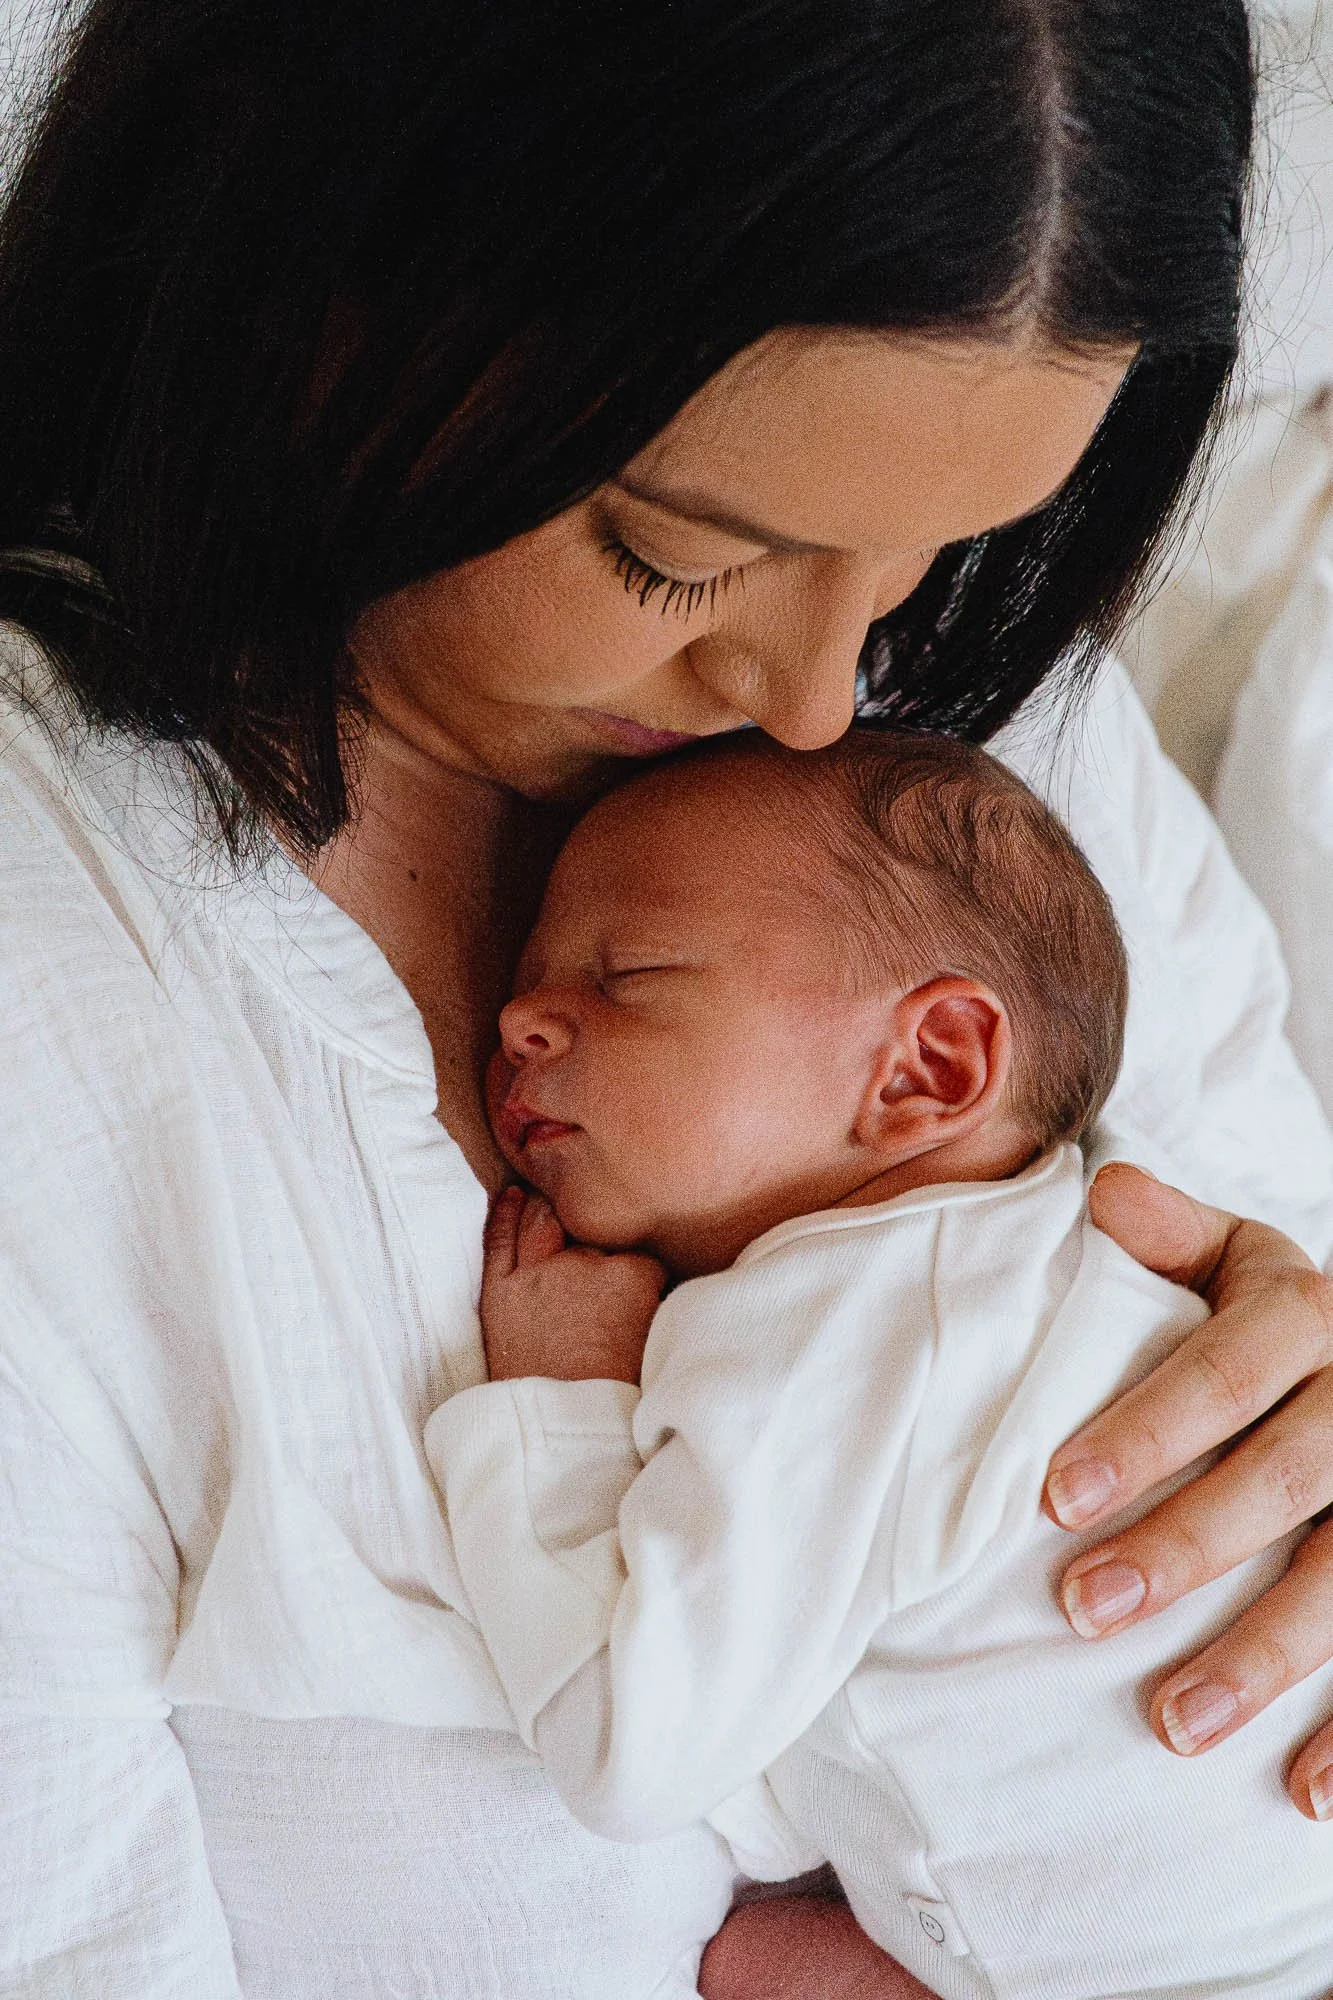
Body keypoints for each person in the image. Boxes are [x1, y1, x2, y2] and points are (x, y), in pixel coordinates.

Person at [4, 2, 1333, 1996]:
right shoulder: (61, 992)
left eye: (926, 562)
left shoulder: (988, 761)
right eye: (675, 554)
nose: (819, 701)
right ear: (315, 259)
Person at [432, 726, 1333, 2000]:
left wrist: (564, 1407)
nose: (523, 1016)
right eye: (532, 975)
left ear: (927, 1068)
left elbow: (629, 1747)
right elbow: (811, 1757)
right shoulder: (1030, 1281)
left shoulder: (846, 1319)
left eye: (627, 974)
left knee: (760, 1960)